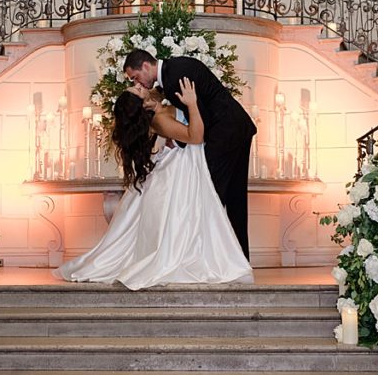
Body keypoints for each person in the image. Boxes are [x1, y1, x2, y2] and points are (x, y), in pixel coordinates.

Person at [54, 78, 254, 290]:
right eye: (137, 89)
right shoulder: (158, 120)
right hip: (181, 172)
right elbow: (195, 137)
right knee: (186, 226)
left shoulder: (158, 113)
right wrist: (192, 103)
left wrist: (161, 106)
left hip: (179, 168)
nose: (141, 85)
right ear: (141, 104)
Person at [123, 50, 257, 260]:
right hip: (236, 128)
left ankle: (212, 259)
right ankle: (239, 258)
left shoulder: (174, 78)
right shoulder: (173, 71)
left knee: (209, 198)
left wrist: (176, 140)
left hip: (225, 135)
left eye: (135, 77)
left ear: (146, 67)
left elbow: (198, 122)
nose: (137, 82)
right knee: (234, 199)